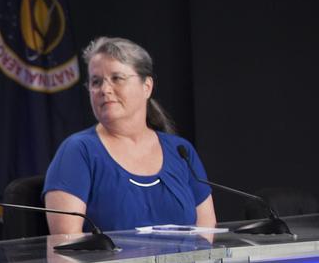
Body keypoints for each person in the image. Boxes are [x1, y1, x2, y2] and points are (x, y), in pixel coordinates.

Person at [44, 36, 215, 233]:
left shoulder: (180, 151)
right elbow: (66, 246)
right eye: (96, 82)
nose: (105, 90)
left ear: (147, 86)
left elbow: (207, 231)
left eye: (117, 78)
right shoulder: (77, 151)